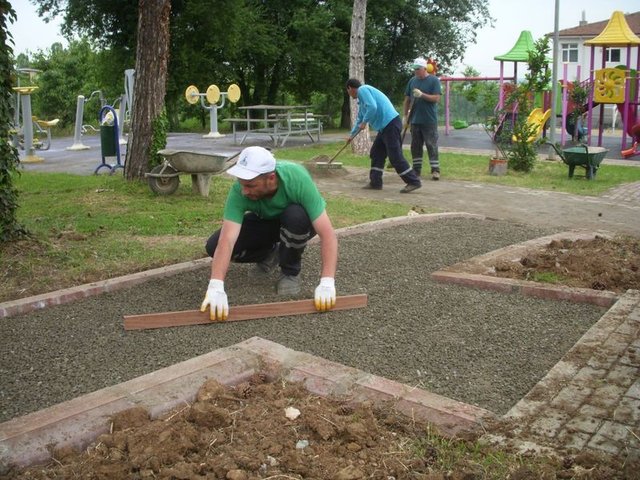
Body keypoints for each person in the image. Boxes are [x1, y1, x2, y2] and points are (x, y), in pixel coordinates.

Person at [200, 146, 338, 321]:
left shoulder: (296, 177)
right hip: (266, 222)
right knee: (213, 246)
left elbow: (328, 235)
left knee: (296, 216)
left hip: (297, 222)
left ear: (271, 178)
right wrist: (216, 285)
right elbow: (226, 240)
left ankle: (290, 272)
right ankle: (271, 253)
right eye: (242, 184)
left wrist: (327, 282)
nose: (244, 191)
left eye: (250, 185)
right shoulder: (240, 190)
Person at [346, 78, 421, 193]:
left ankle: (413, 181)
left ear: (350, 88)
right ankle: (375, 182)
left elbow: (373, 107)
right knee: (376, 153)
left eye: (348, 91)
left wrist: (365, 122)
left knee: (395, 156)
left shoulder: (363, 89)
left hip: (390, 124)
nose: (349, 94)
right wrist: (351, 136)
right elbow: (360, 118)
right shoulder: (362, 100)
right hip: (384, 127)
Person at [403, 57, 442, 180]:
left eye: (418, 69)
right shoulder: (412, 81)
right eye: (414, 69)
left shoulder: (434, 80)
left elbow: (436, 98)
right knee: (415, 146)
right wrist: (405, 115)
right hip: (415, 120)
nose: (415, 71)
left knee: (431, 144)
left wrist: (422, 95)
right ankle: (416, 170)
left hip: (429, 120)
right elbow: (407, 99)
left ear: (424, 68)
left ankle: (435, 170)